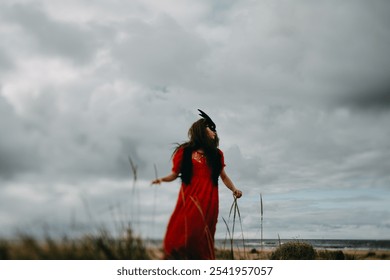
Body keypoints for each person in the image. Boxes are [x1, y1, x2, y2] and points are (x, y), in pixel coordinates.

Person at [151, 109, 242, 260]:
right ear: (201, 130)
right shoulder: (185, 152)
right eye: (211, 128)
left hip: (209, 201)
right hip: (189, 198)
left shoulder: (217, 155)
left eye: (215, 129)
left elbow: (224, 176)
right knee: (181, 232)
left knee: (202, 236)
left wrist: (234, 189)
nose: (214, 132)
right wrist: (161, 179)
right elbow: (174, 174)